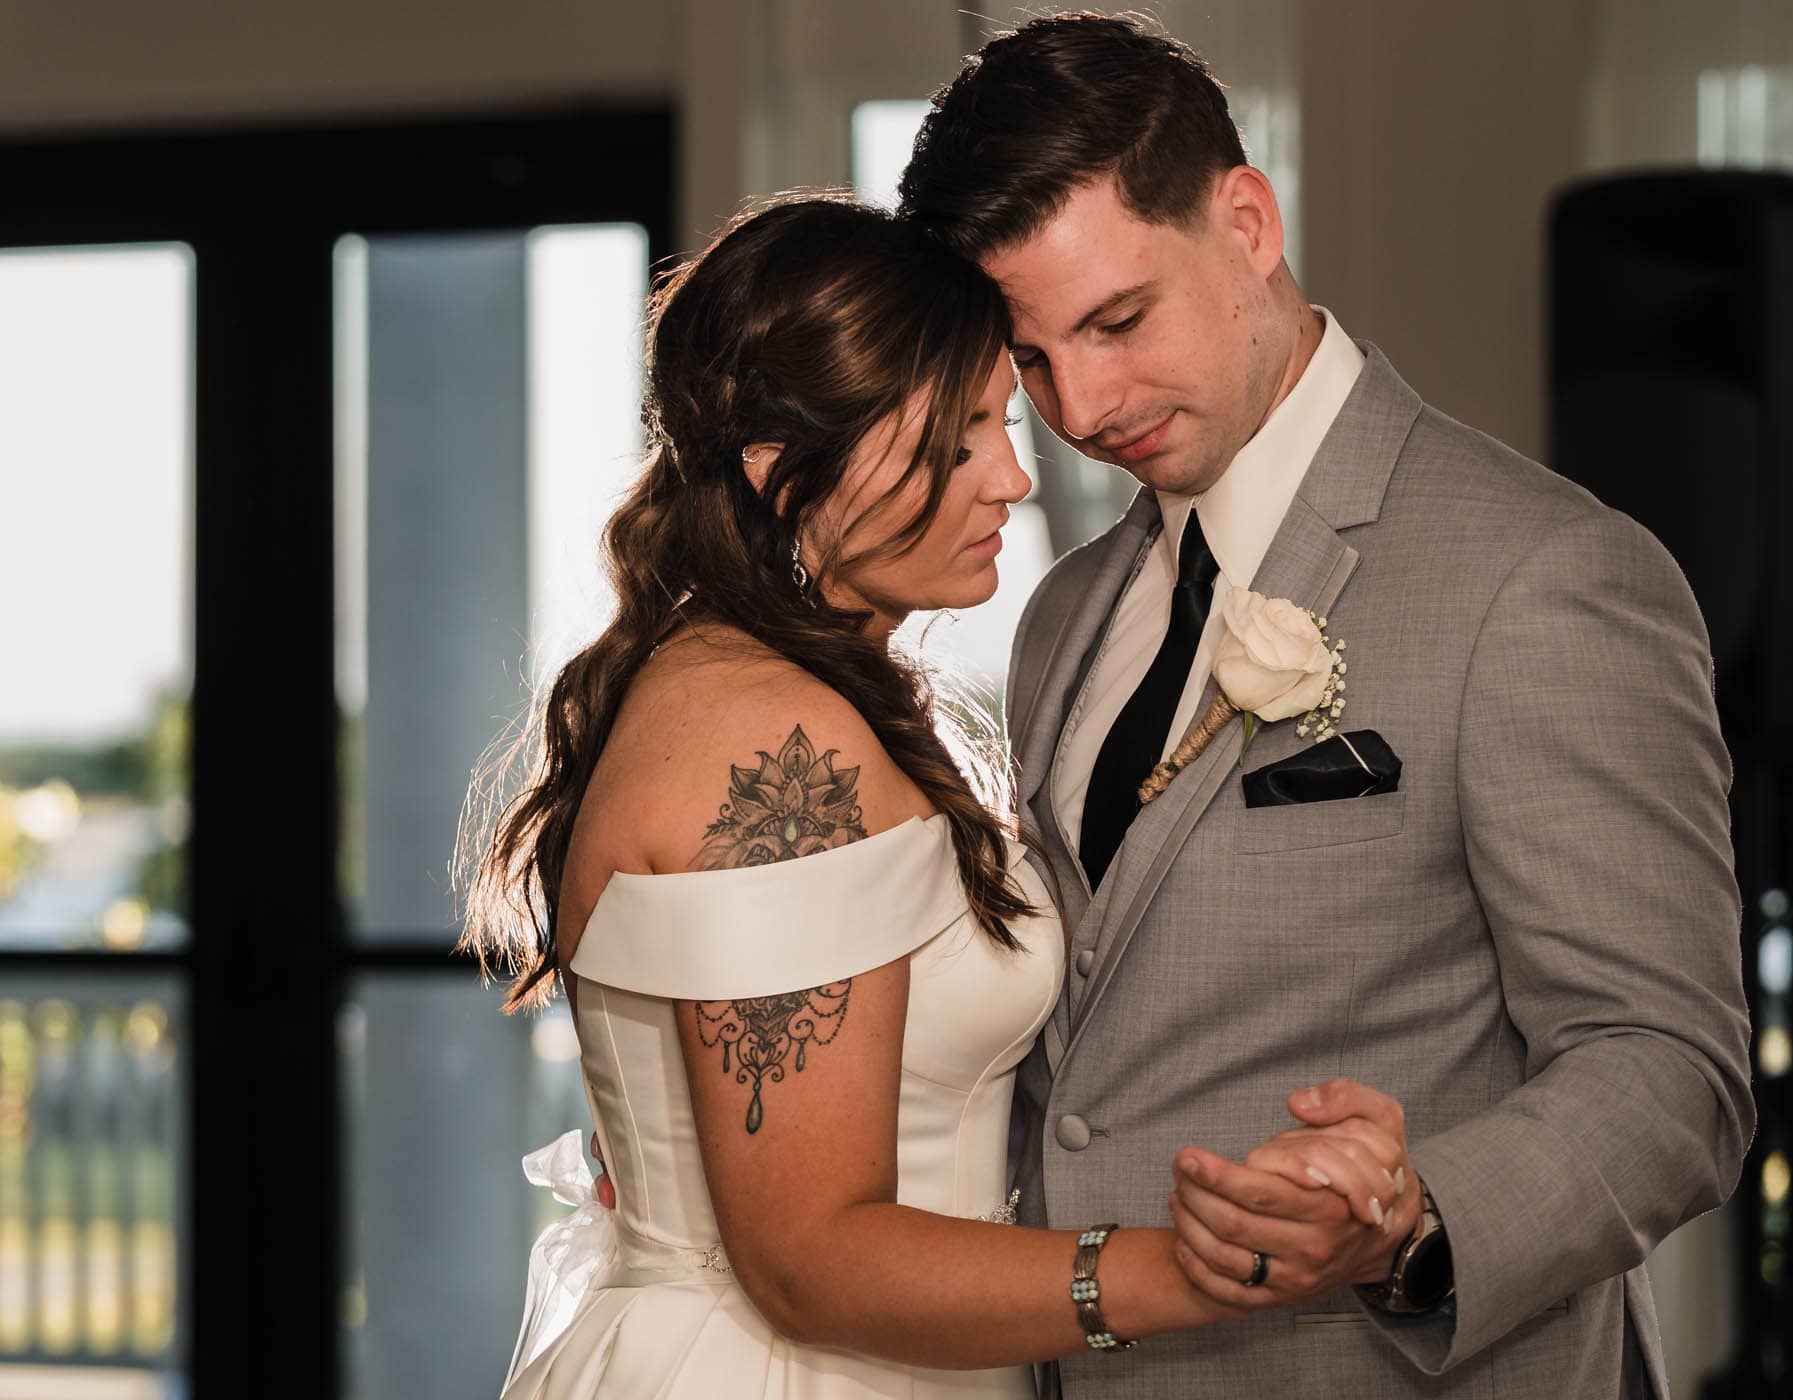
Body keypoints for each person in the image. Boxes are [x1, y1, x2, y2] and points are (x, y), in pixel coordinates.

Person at [885, 13, 1756, 1399]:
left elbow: (1671, 1073)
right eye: (1030, 361)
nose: (1082, 405)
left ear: (1246, 222)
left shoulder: (1543, 575)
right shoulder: (1061, 616)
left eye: (1118, 321)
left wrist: (1415, 1220)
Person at [462, 194, 1411, 1399]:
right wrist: (1209, 1269)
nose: (1014, 475)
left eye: (999, 421)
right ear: (780, 476)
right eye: (954, 440)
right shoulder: (771, 739)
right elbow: (808, 1255)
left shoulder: (809, 689)